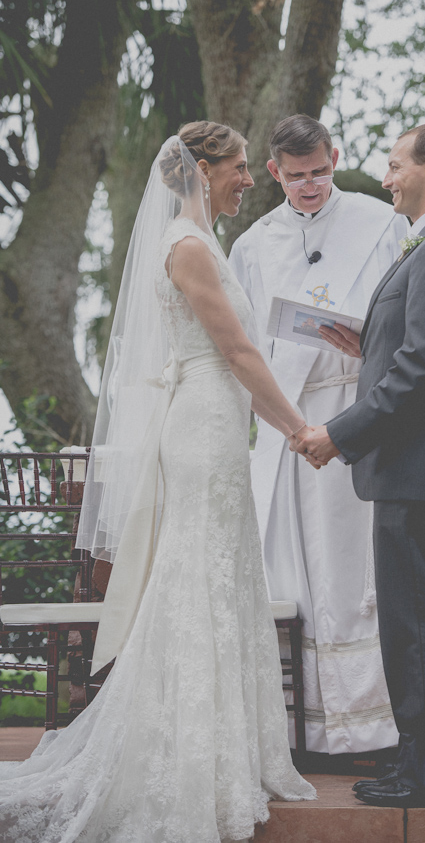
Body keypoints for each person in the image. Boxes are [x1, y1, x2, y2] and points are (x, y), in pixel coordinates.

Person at [0, 121, 316, 843]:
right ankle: (184, 755)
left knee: (221, 575)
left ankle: (228, 748)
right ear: (203, 171)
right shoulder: (186, 246)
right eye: (240, 167)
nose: (249, 178)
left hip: (218, 423)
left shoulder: (205, 242)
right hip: (204, 422)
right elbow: (234, 349)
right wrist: (297, 428)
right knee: (197, 576)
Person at [295, 123, 425, 807]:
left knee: (420, 623)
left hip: (421, 466)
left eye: (394, 164)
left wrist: (338, 434)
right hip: (418, 466)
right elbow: (411, 347)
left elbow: (419, 370)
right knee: (412, 620)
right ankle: (420, 761)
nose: (385, 178)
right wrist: (367, 337)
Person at [229, 114, 409, 755]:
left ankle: (373, 730)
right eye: (296, 177)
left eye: (320, 173)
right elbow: (241, 343)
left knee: (352, 576)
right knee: (292, 578)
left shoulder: (383, 225)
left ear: (335, 158)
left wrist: (369, 344)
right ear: (274, 172)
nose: (310, 187)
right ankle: (300, 731)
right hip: (287, 430)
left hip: (356, 419)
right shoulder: (251, 246)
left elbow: (414, 332)